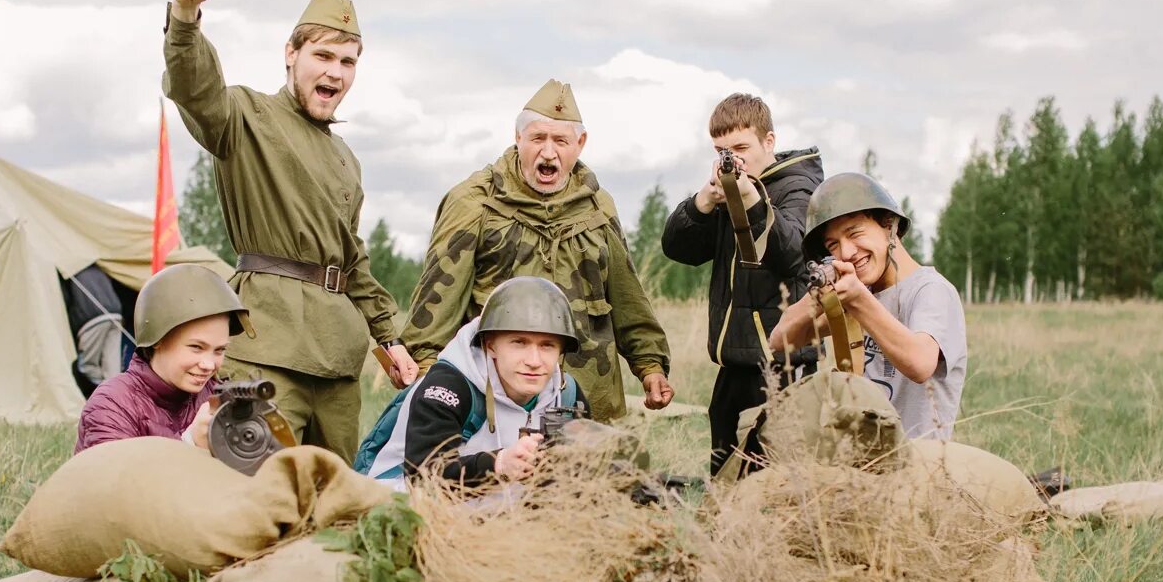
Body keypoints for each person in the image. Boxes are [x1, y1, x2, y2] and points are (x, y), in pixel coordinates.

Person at [161, 0, 418, 463]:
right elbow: (195, 90)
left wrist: (389, 338)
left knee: (332, 501)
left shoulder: (347, 160)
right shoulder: (246, 117)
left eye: (348, 62)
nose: (336, 72)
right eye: (323, 56)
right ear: (291, 53)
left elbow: (352, 260)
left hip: (338, 362)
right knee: (252, 498)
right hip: (267, 350)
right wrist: (185, 17)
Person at [401, 79, 673, 422]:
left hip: (588, 400)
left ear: (580, 143)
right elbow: (436, 304)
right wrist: (428, 378)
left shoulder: (598, 208)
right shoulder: (474, 204)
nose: (548, 153)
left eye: (560, 141)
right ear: (517, 138)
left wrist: (650, 365)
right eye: (537, 138)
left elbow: (627, 297)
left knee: (590, 476)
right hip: (495, 401)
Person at [660, 92, 823, 473]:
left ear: (769, 142)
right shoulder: (729, 185)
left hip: (783, 366)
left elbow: (792, 254)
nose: (732, 157)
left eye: (740, 146)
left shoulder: (798, 188)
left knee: (771, 480)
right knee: (724, 473)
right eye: (720, 149)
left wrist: (751, 200)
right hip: (734, 361)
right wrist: (703, 201)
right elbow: (677, 248)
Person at [769, 172, 966, 439]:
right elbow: (781, 340)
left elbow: (920, 364)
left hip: (920, 465)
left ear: (889, 225)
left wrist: (860, 300)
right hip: (863, 464)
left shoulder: (931, 290)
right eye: (833, 245)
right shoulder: (860, 292)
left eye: (855, 233)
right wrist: (817, 295)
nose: (847, 252)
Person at [356, 277, 586, 489]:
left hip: (495, 511)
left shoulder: (567, 396)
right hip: (401, 500)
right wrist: (498, 464)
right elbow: (424, 478)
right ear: (490, 345)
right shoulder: (449, 386)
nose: (534, 361)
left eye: (547, 345)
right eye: (519, 343)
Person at [75, 264, 250, 453]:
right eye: (196, 348)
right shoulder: (112, 404)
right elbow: (113, 479)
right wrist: (190, 442)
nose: (208, 365)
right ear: (158, 340)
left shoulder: (214, 396)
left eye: (219, 350)